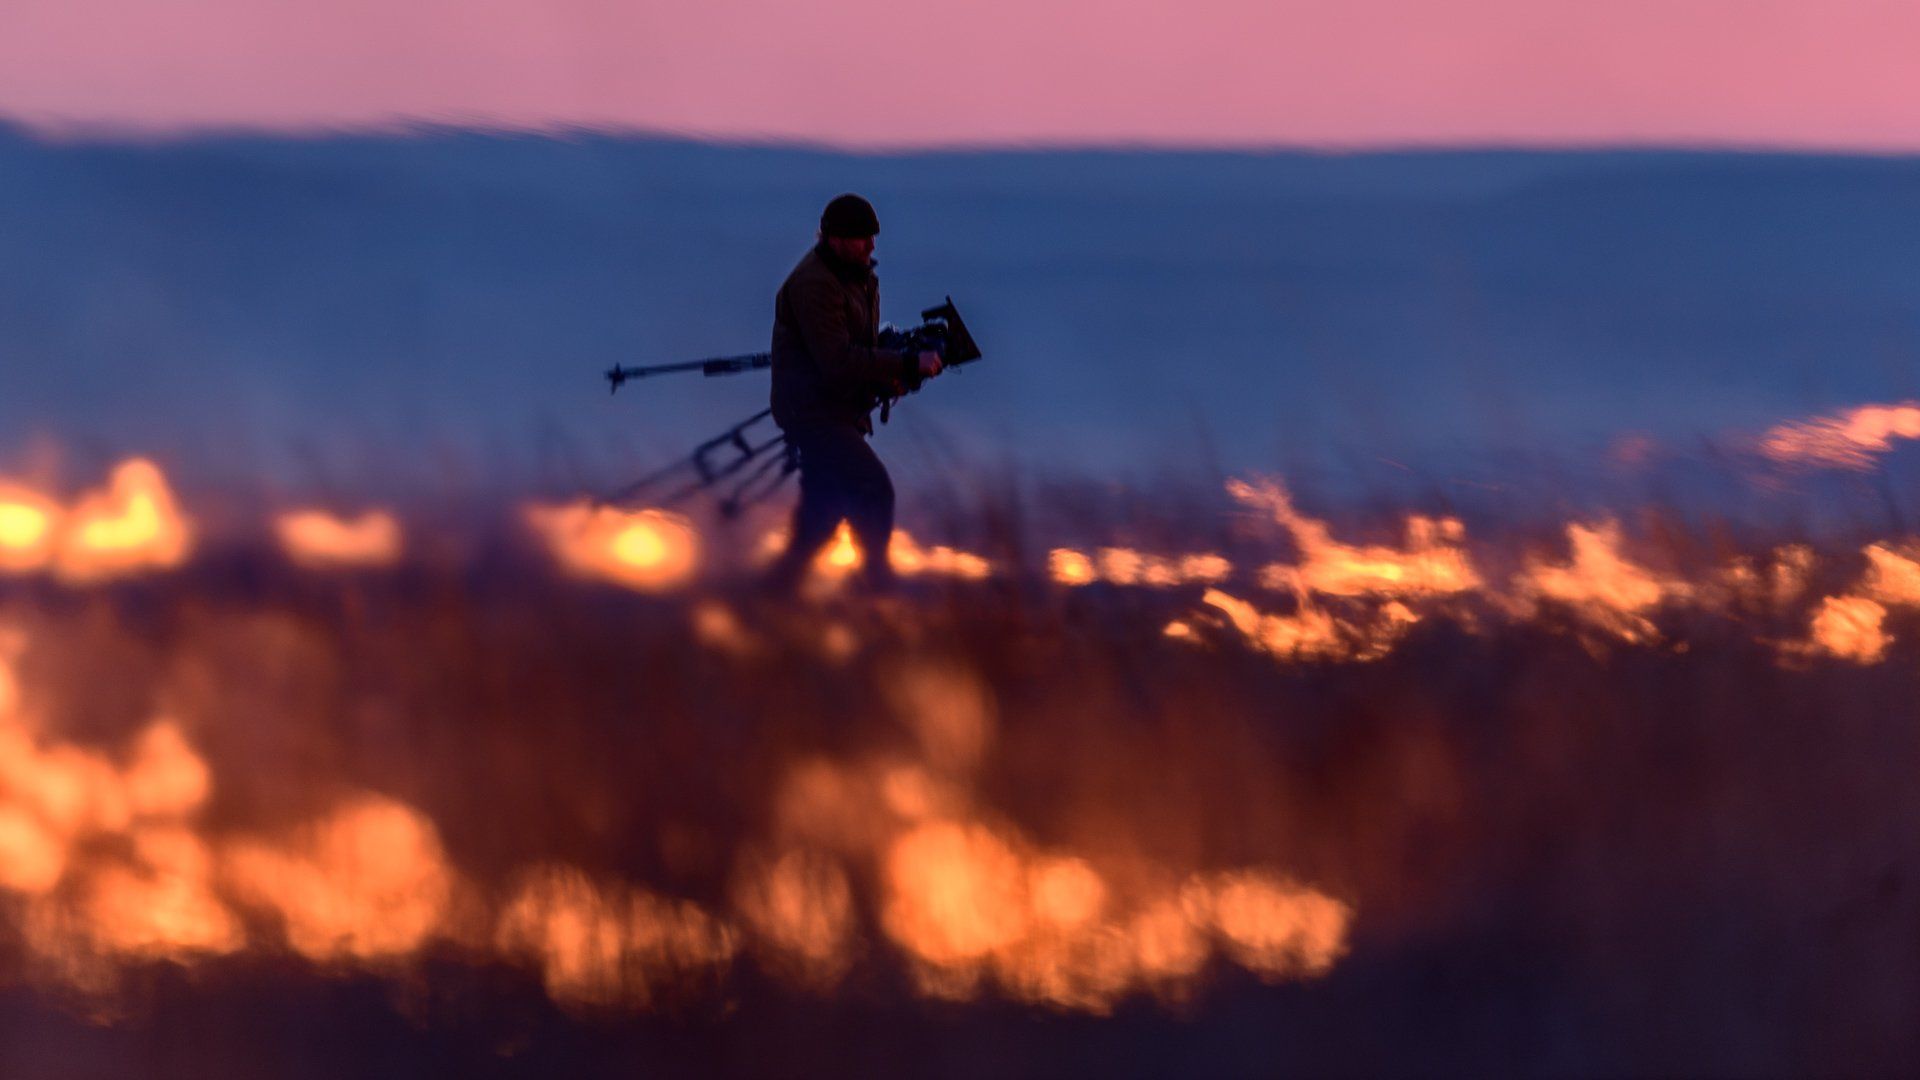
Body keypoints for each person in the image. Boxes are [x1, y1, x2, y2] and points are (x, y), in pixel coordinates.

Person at [762, 193, 943, 595]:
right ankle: (876, 586)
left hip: (839, 409)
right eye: (863, 237)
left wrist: (897, 359)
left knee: (822, 517)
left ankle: (770, 594)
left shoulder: (858, 277)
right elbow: (837, 360)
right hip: (814, 414)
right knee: (872, 488)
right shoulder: (814, 285)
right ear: (835, 238)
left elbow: (857, 346)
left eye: (872, 237)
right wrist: (907, 363)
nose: (871, 246)